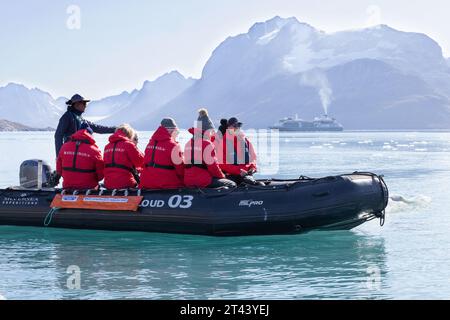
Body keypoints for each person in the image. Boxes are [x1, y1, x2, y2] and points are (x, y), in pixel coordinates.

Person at [184, 109, 236, 189]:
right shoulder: (207, 144)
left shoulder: (188, 143)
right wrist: (222, 177)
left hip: (188, 181)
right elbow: (213, 167)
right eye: (211, 131)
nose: (212, 134)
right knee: (231, 184)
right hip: (203, 180)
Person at [216, 117, 263, 186]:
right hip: (230, 176)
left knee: (256, 184)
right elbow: (221, 164)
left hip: (245, 174)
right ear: (228, 128)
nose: (237, 128)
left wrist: (253, 167)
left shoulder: (246, 141)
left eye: (238, 126)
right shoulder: (222, 143)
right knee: (235, 184)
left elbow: (253, 158)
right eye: (234, 126)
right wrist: (238, 171)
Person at [140, 118, 185, 189]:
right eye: (175, 130)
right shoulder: (173, 146)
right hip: (165, 184)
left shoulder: (150, 143)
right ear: (171, 130)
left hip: (146, 182)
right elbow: (181, 170)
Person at [56, 124, 104, 190]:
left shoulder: (64, 147)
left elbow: (59, 170)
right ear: (90, 135)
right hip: (88, 188)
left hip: (67, 187)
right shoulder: (95, 151)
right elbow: (101, 175)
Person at [103, 124, 144, 190]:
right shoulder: (129, 145)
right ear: (130, 134)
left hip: (108, 183)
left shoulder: (107, 146)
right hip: (126, 183)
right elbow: (140, 162)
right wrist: (135, 147)